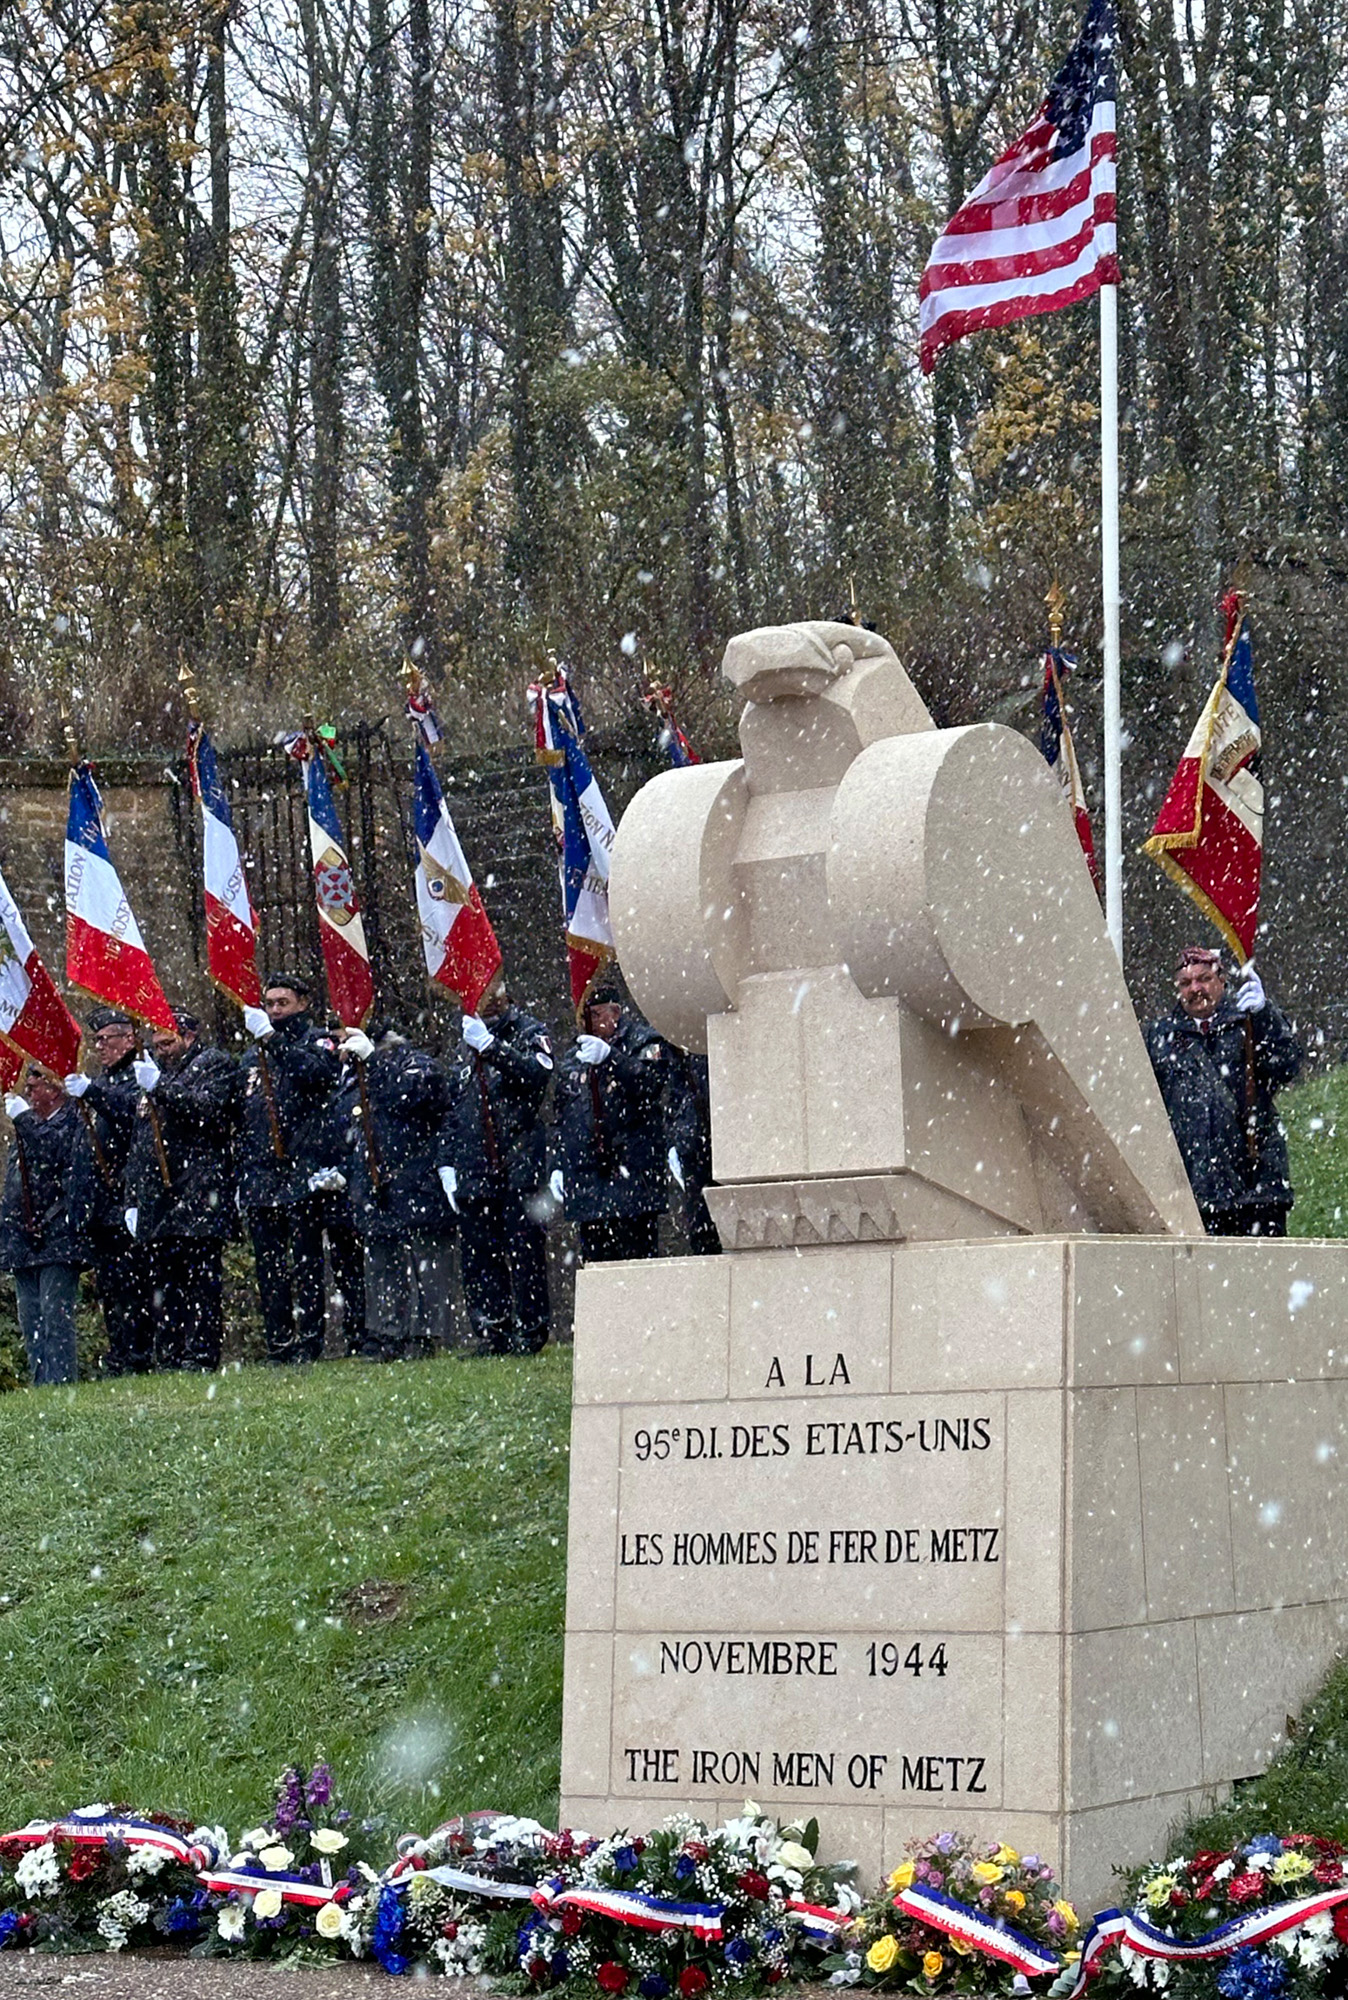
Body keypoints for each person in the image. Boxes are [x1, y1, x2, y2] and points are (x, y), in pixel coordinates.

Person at [1145, 945, 1303, 1237]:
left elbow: (1287, 1065)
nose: (1195, 988)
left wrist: (1266, 1014)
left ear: (1221, 980)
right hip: (1195, 1195)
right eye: (1186, 983)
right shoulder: (1159, 1037)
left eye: (1203, 978)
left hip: (1257, 1191)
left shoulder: (1250, 1022)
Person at [438, 978, 553, 1355]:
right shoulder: (463, 1045)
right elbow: (454, 1109)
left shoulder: (529, 1032)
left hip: (516, 1158)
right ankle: (492, 1331)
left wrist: (492, 1048)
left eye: (491, 995)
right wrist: (447, 1163)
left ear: (506, 995)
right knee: (479, 1254)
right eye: (478, 997)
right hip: (474, 1164)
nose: (485, 1003)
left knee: (524, 1251)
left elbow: (536, 1075)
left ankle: (530, 1330)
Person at [236, 973, 345, 1362]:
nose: (276, 1009)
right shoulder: (252, 1055)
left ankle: (310, 1340)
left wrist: (273, 1040)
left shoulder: (317, 1040)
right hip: (262, 1174)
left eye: (283, 1002)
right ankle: (279, 1342)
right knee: (270, 1268)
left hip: (302, 1170)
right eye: (270, 1003)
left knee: (306, 1265)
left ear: (302, 1003)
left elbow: (318, 1075)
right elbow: (243, 1116)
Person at [123, 1009, 239, 1370]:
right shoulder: (153, 1076)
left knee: (202, 1281)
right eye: (156, 1044)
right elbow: (140, 1143)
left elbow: (207, 1111)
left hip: (199, 1191)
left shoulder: (213, 1064)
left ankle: (201, 1354)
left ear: (188, 1036)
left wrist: (162, 1088)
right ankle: (171, 1354)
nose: (161, 1050)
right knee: (164, 1283)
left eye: (168, 1042)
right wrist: (133, 1198)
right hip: (160, 1199)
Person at [337, 1020, 456, 1359]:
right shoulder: (353, 1076)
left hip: (417, 1176)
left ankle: (425, 1335)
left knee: (426, 1261)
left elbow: (410, 1097)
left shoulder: (418, 1065)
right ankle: (387, 1332)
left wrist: (373, 1063)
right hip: (374, 1184)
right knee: (381, 1262)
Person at [550, 976, 667, 1263]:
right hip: (589, 1184)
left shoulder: (644, 1041)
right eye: (586, 1016)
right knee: (597, 1271)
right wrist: (556, 1165)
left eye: (595, 1015)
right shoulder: (574, 1057)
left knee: (637, 1268)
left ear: (615, 1012)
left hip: (632, 1181)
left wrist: (611, 1058)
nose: (588, 1023)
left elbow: (649, 1084)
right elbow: (562, 1118)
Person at [64, 1008, 156, 1373]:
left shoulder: (139, 1076)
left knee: (134, 1286)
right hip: (100, 1205)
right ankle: (120, 1353)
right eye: (97, 1040)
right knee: (111, 1288)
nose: (99, 1046)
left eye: (107, 1039)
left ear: (128, 1038)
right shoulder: (104, 1080)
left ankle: (138, 1355)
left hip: (126, 1198)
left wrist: (93, 1092)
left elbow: (132, 1112)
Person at [0, 1068, 91, 1385]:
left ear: (54, 1089)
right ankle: (42, 1387)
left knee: (55, 1318)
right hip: (22, 1241)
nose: (28, 1092)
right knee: (31, 1321)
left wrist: (24, 1121)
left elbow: (54, 1154)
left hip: (57, 1235)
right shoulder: (29, 1126)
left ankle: (62, 1386)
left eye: (34, 1086)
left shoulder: (73, 1120)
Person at [664, 1047, 721, 1255]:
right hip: (693, 1144)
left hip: (720, 1138)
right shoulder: (677, 1040)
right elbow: (676, 1092)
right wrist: (675, 1139)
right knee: (701, 1230)